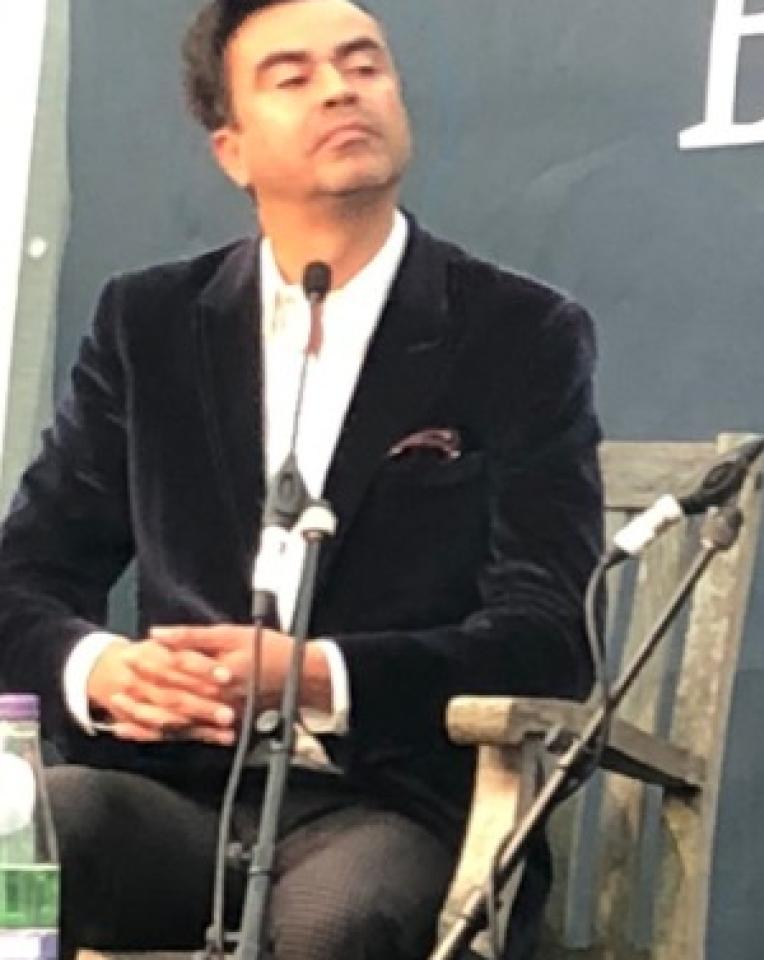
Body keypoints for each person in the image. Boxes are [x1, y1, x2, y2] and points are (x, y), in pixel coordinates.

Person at [0, 1, 603, 957]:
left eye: (364, 65)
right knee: (27, 839)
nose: (340, 88)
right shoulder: (148, 324)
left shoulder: (518, 334)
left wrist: (316, 676)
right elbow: (21, 580)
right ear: (230, 148)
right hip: (170, 791)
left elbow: (549, 635)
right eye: (293, 76)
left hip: (389, 802)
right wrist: (101, 671)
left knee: (331, 924)